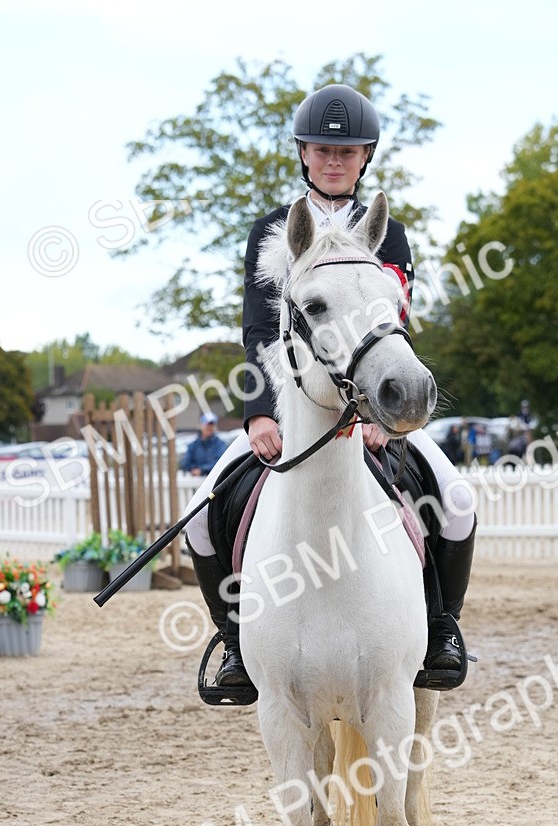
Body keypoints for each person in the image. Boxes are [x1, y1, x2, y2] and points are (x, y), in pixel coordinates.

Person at [184, 84, 477, 698]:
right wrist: (260, 414)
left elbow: (391, 328)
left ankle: (441, 627)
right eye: (323, 150)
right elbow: (260, 329)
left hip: (370, 410)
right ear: (303, 154)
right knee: (203, 519)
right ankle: (237, 645)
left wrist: (381, 417)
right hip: (290, 408)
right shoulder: (272, 232)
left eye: (348, 151)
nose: (335, 160)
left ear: (366, 156)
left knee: (455, 498)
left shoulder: (387, 234)